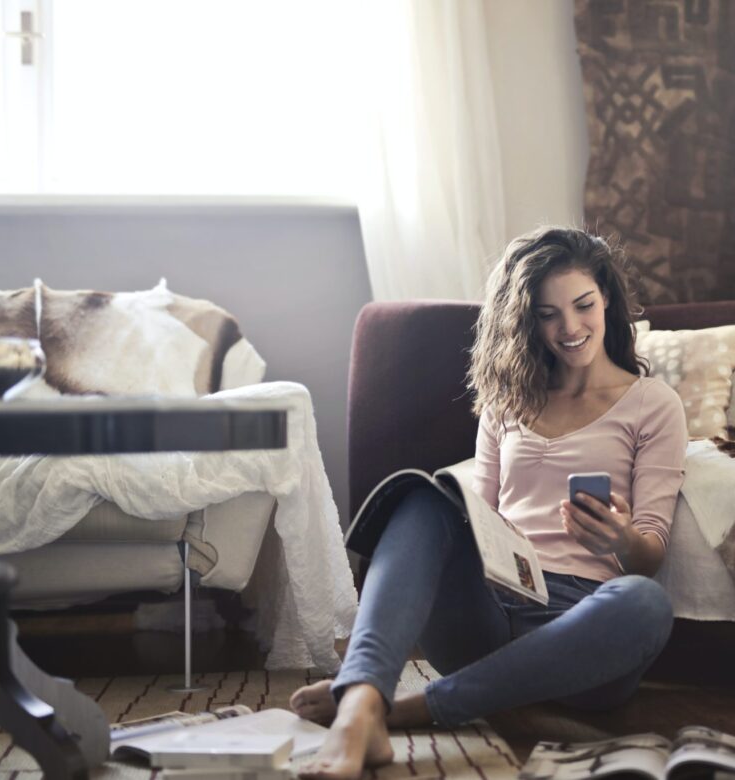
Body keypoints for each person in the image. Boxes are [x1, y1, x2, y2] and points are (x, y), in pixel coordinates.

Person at [294, 227, 687, 780]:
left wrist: (621, 540)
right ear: (527, 321)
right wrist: (470, 535)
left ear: (607, 302)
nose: (570, 328)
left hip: (582, 628)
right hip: (491, 606)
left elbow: (651, 551)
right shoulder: (508, 403)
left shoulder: (654, 405)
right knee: (421, 498)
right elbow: (476, 518)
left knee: (645, 602)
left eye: (583, 306)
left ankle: (407, 709)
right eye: (548, 314)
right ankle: (360, 705)